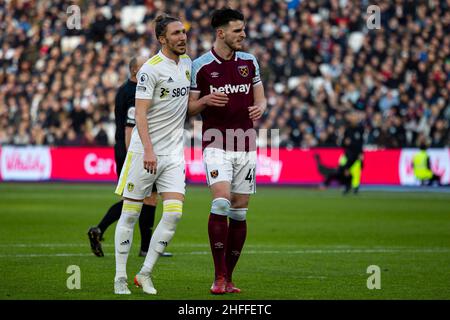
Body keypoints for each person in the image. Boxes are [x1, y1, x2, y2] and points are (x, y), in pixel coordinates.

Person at [188, 8, 266, 294]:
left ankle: (229, 278)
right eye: (237, 30)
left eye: (243, 30)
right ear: (220, 33)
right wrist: (206, 99)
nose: (243, 35)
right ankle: (218, 276)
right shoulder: (201, 65)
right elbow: (190, 109)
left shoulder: (249, 61)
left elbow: (261, 97)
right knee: (221, 202)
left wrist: (262, 107)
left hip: (245, 141)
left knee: (240, 213)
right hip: (215, 141)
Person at [113, 15, 191, 295]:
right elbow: (141, 113)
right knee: (131, 213)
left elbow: (184, 106)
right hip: (145, 151)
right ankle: (120, 277)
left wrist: (204, 101)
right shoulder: (150, 70)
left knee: (173, 215)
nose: (182, 37)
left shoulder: (187, 64)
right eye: (176, 34)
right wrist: (147, 149)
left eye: (183, 32)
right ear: (162, 39)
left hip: (173, 154)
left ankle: (144, 273)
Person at [87, 56, 172, 258]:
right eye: (145, 66)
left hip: (129, 149)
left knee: (147, 198)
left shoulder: (125, 90)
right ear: (135, 71)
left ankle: (143, 247)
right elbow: (129, 128)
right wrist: (133, 157)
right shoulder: (133, 93)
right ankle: (141, 247)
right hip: (133, 150)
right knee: (141, 199)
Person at [317, 111, 364, 194]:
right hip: (348, 153)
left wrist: (361, 153)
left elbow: (360, 143)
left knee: (355, 171)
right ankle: (347, 185)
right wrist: (345, 142)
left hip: (356, 154)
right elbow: (343, 143)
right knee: (343, 169)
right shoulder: (348, 129)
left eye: (355, 117)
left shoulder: (360, 129)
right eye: (352, 117)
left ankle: (354, 187)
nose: (353, 119)